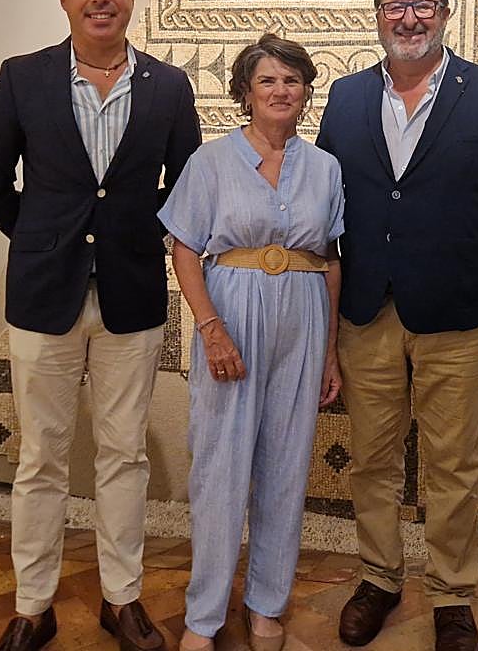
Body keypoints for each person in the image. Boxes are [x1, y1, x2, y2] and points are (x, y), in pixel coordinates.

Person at [0, 0, 201, 651]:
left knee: (123, 454)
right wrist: (42, 236)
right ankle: (33, 605)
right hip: (45, 297)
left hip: (130, 297)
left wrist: (132, 233)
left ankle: (120, 599)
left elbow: (187, 189)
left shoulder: (168, 86)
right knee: (41, 458)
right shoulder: (22, 78)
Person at [315, 0, 478, 651]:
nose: (409, 19)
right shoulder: (347, 97)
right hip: (367, 310)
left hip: (457, 313)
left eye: (423, 6)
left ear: (445, 12)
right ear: (378, 14)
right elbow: (325, 202)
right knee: (372, 461)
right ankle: (379, 580)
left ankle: (451, 597)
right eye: (395, 7)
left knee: (453, 466)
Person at [157, 33, 345, 651]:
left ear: (306, 91)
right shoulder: (210, 162)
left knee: (286, 469)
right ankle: (203, 616)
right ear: (245, 93)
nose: (281, 91)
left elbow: (331, 257)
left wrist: (332, 350)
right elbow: (186, 249)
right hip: (231, 317)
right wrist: (211, 329)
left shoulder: (325, 167)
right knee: (220, 469)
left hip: (305, 319)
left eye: (292, 80)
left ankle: (266, 605)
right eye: (268, 80)